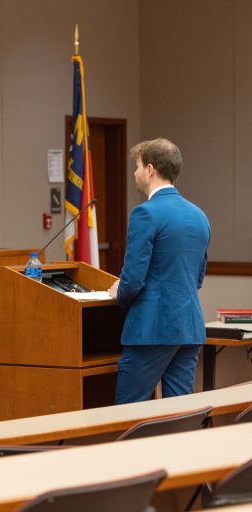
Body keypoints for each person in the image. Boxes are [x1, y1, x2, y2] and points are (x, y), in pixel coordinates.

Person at [107, 138, 211, 404]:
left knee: (128, 413)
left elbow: (132, 281)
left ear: (150, 169)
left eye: (137, 166)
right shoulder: (200, 215)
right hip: (189, 327)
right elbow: (197, 278)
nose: (135, 173)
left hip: (151, 329)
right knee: (178, 416)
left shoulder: (146, 214)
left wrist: (119, 292)